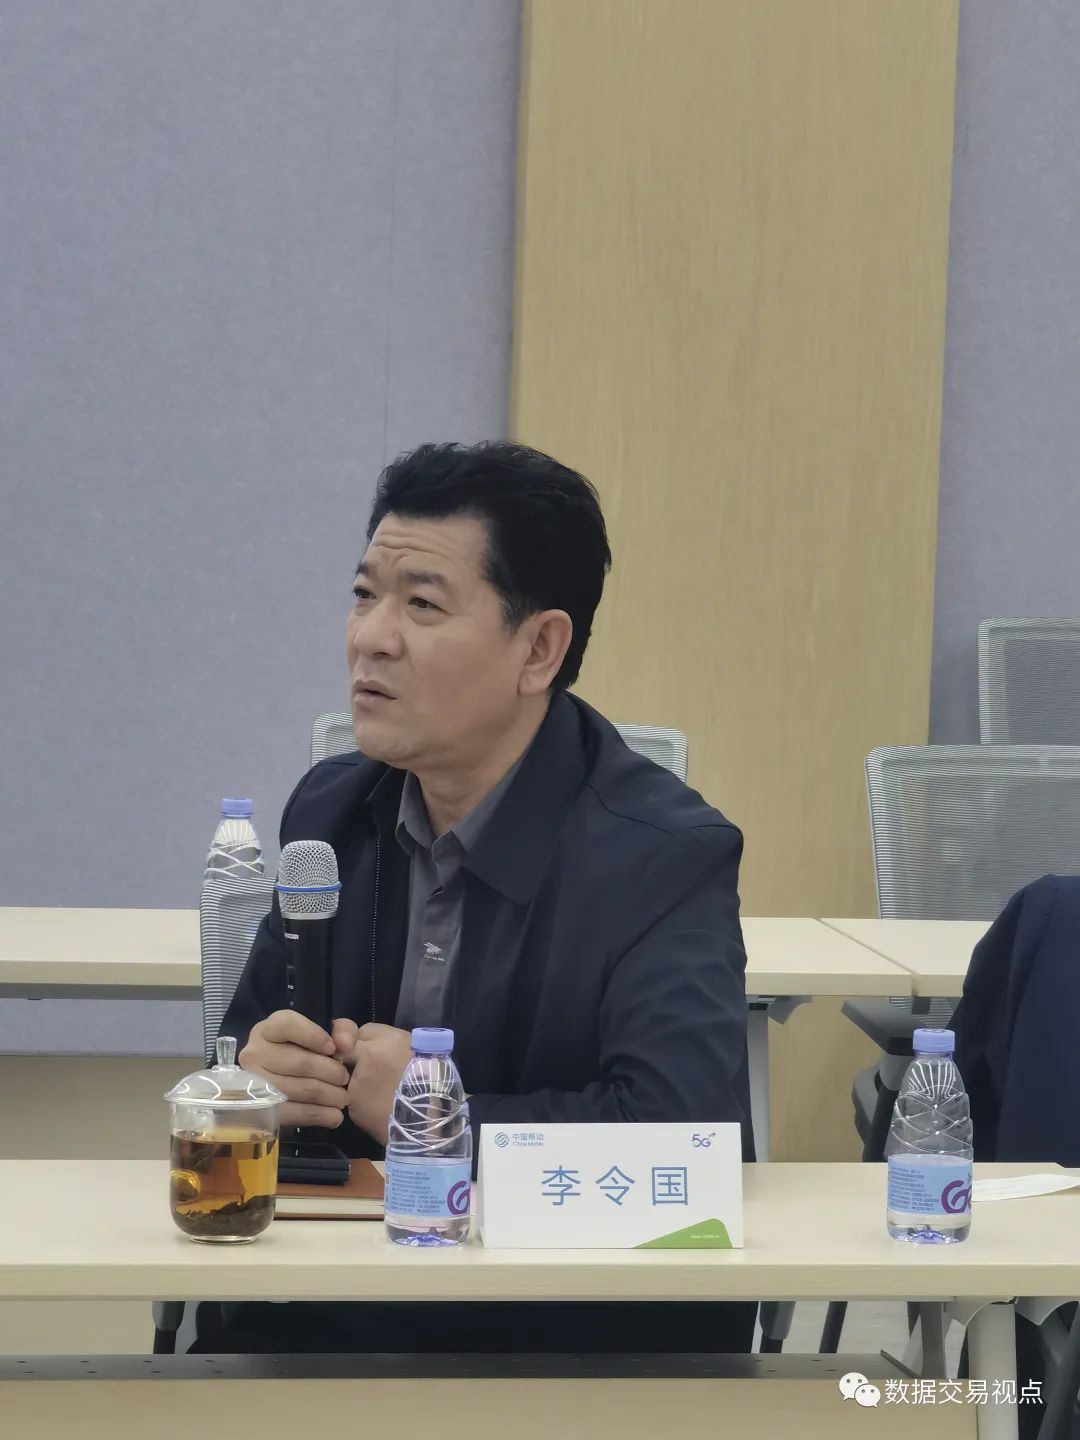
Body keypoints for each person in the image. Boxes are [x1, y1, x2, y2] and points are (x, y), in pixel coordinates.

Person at [208, 440, 754, 1355]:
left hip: (565, 1339)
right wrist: (258, 1083)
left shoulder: (661, 854)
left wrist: (439, 1117)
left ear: (539, 648)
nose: (371, 637)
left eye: (422, 604)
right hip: (334, 1308)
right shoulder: (334, 810)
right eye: (365, 595)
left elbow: (683, 1145)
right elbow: (235, 1063)